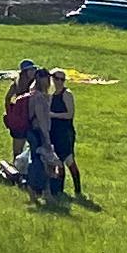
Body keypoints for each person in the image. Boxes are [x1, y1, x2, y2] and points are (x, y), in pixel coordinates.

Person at [46, 72, 84, 201]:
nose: (59, 81)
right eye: (57, 79)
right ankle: (59, 189)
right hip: (54, 132)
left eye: (62, 79)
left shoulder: (67, 94)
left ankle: (78, 189)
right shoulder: (51, 95)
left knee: (69, 159)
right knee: (58, 161)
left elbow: (69, 114)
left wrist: (53, 115)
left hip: (65, 132)